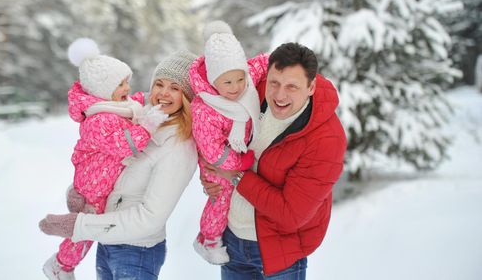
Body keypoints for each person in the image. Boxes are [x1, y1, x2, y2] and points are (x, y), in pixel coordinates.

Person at [39, 50, 198, 280]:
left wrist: (80, 225)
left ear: (187, 96)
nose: (163, 93)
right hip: (107, 242)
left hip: (136, 252)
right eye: (159, 84)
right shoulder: (139, 117)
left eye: (175, 88)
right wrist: (83, 192)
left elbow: (150, 218)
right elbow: (106, 165)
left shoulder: (179, 146)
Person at [204, 42, 347, 279]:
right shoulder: (253, 93)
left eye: (292, 86)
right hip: (232, 240)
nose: (279, 95)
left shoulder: (326, 139)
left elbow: (291, 214)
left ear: (311, 86)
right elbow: (214, 129)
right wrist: (211, 174)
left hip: (278, 252)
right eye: (275, 83)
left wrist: (235, 176)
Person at [190, 21, 268, 265]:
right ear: (214, 81)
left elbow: (263, 62)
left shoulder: (246, 80)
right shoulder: (206, 109)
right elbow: (212, 152)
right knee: (220, 198)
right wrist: (240, 163)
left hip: (239, 156)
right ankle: (208, 239)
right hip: (218, 162)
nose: (235, 88)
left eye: (239, 79)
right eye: (227, 83)